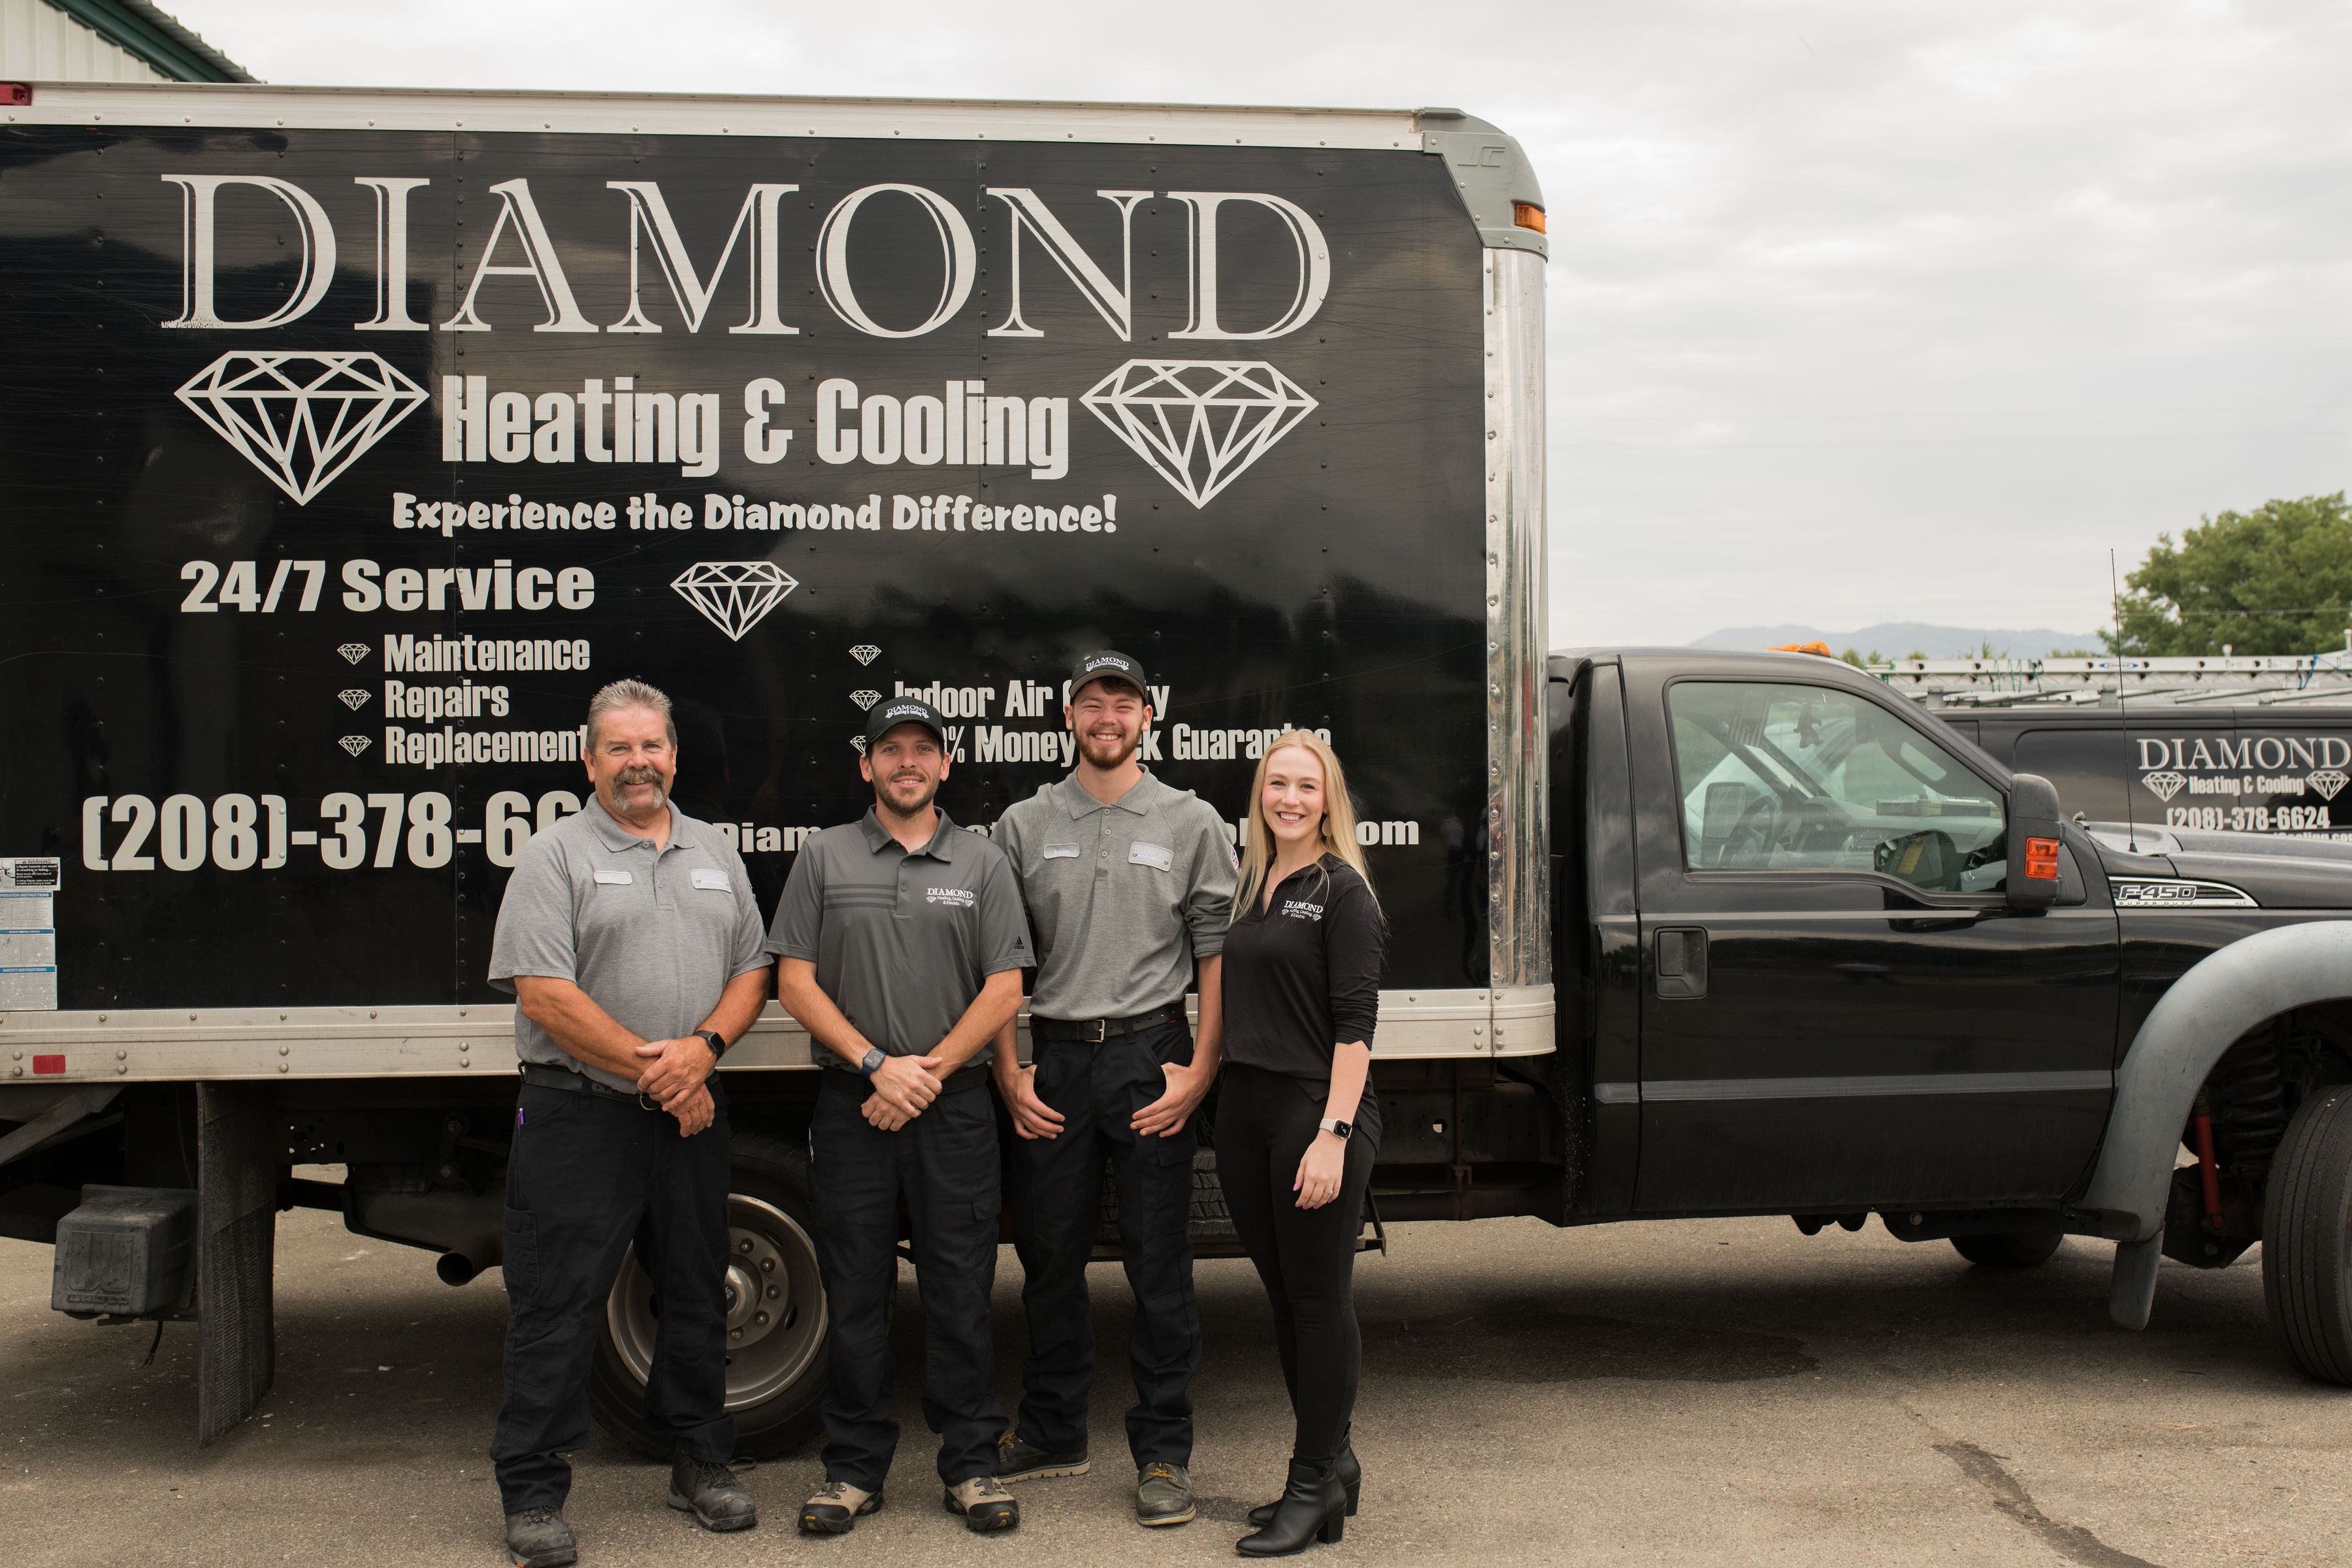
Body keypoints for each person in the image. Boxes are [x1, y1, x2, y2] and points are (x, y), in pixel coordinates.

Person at [485, 679, 773, 1568]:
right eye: (619, 748)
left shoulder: (715, 852)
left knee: (694, 1289)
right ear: (590, 760)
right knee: (557, 1302)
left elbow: (753, 969)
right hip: (582, 1116)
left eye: (652, 746)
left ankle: (701, 1463)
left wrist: (706, 1048)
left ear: (675, 756)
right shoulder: (555, 855)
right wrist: (664, 1073)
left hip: (687, 1111)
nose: (638, 763)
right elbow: (545, 993)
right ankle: (533, 1489)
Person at [769, 697, 1034, 1536]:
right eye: (892, 750)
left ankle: (971, 1466)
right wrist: (878, 1067)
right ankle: (852, 1471)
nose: (907, 763)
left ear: (944, 766)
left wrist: (929, 1073)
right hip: (856, 1103)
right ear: (867, 766)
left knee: (960, 1290)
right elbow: (794, 983)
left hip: (951, 1107)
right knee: (855, 1292)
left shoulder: (983, 862)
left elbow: (1006, 987)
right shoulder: (824, 856)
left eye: (924, 749)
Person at [990, 650, 1237, 1528]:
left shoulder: (1189, 820)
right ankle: (1055, 1427)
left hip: (1149, 1055)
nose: (1107, 716)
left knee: (1158, 1262)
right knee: (1048, 1258)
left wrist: (1200, 1068)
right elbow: (1001, 964)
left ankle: (1165, 1451)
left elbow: (1215, 957)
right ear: (1067, 718)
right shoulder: (1023, 825)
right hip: (1053, 1061)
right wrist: (1008, 1068)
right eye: (1091, 702)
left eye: (1122, 702)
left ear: (1146, 717)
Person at [1217, 731, 1384, 1557]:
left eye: (1305, 787)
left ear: (1328, 800)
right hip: (1245, 1108)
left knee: (1320, 1302)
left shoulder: (1343, 890)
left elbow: (1356, 1027)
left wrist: (1333, 1134)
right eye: (1276, 784)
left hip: (1314, 1112)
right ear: (1261, 794)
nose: (1289, 798)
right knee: (1285, 1299)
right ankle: (1338, 1461)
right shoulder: (1255, 882)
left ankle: (1311, 1481)